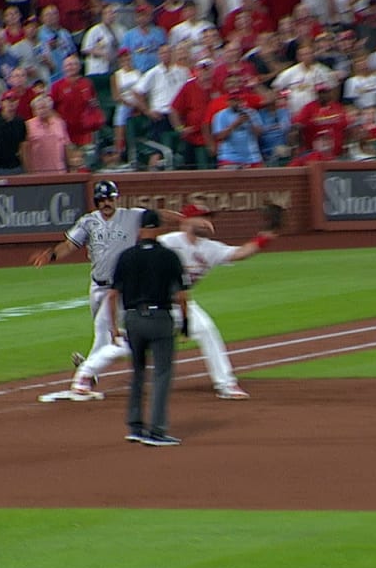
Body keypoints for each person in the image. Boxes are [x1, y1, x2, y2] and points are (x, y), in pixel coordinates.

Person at [30, 181, 184, 401]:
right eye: (102, 199)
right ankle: (92, 367)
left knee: (104, 332)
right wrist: (50, 255)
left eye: (109, 198)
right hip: (97, 286)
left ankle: (85, 376)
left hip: (121, 287)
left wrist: (185, 221)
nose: (106, 203)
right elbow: (69, 245)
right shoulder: (89, 221)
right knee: (102, 333)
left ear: (116, 199)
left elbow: (157, 214)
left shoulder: (131, 216)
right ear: (96, 201)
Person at [157, 203, 276, 400]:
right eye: (203, 217)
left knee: (207, 331)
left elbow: (240, 253)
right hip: (155, 304)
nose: (208, 221)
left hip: (184, 304)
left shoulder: (210, 248)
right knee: (131, 343)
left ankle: (227, 384)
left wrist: (265, 237)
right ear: (187, 221)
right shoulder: (167, 242)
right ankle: (87, 374)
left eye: (209, 217)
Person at [108, 209, 189, 446]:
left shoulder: (126, 257)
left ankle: (135, 426)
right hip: (160, 319)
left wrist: (113, 327)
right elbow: (183, 296)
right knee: (162, 374)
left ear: (140, 229)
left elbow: (112, 295)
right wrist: (185, 326)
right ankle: (157, 430)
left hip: (133, 320)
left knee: (138, 372)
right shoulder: (170, 256)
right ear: (159, 229)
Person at [0, 89, 27, 175]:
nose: (10, 104)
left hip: (15, 166)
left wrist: (25, 166)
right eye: (7, 101)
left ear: (18, 103)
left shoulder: (20, 122)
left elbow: (22, 146)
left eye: (14, 101)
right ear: (2, 103)